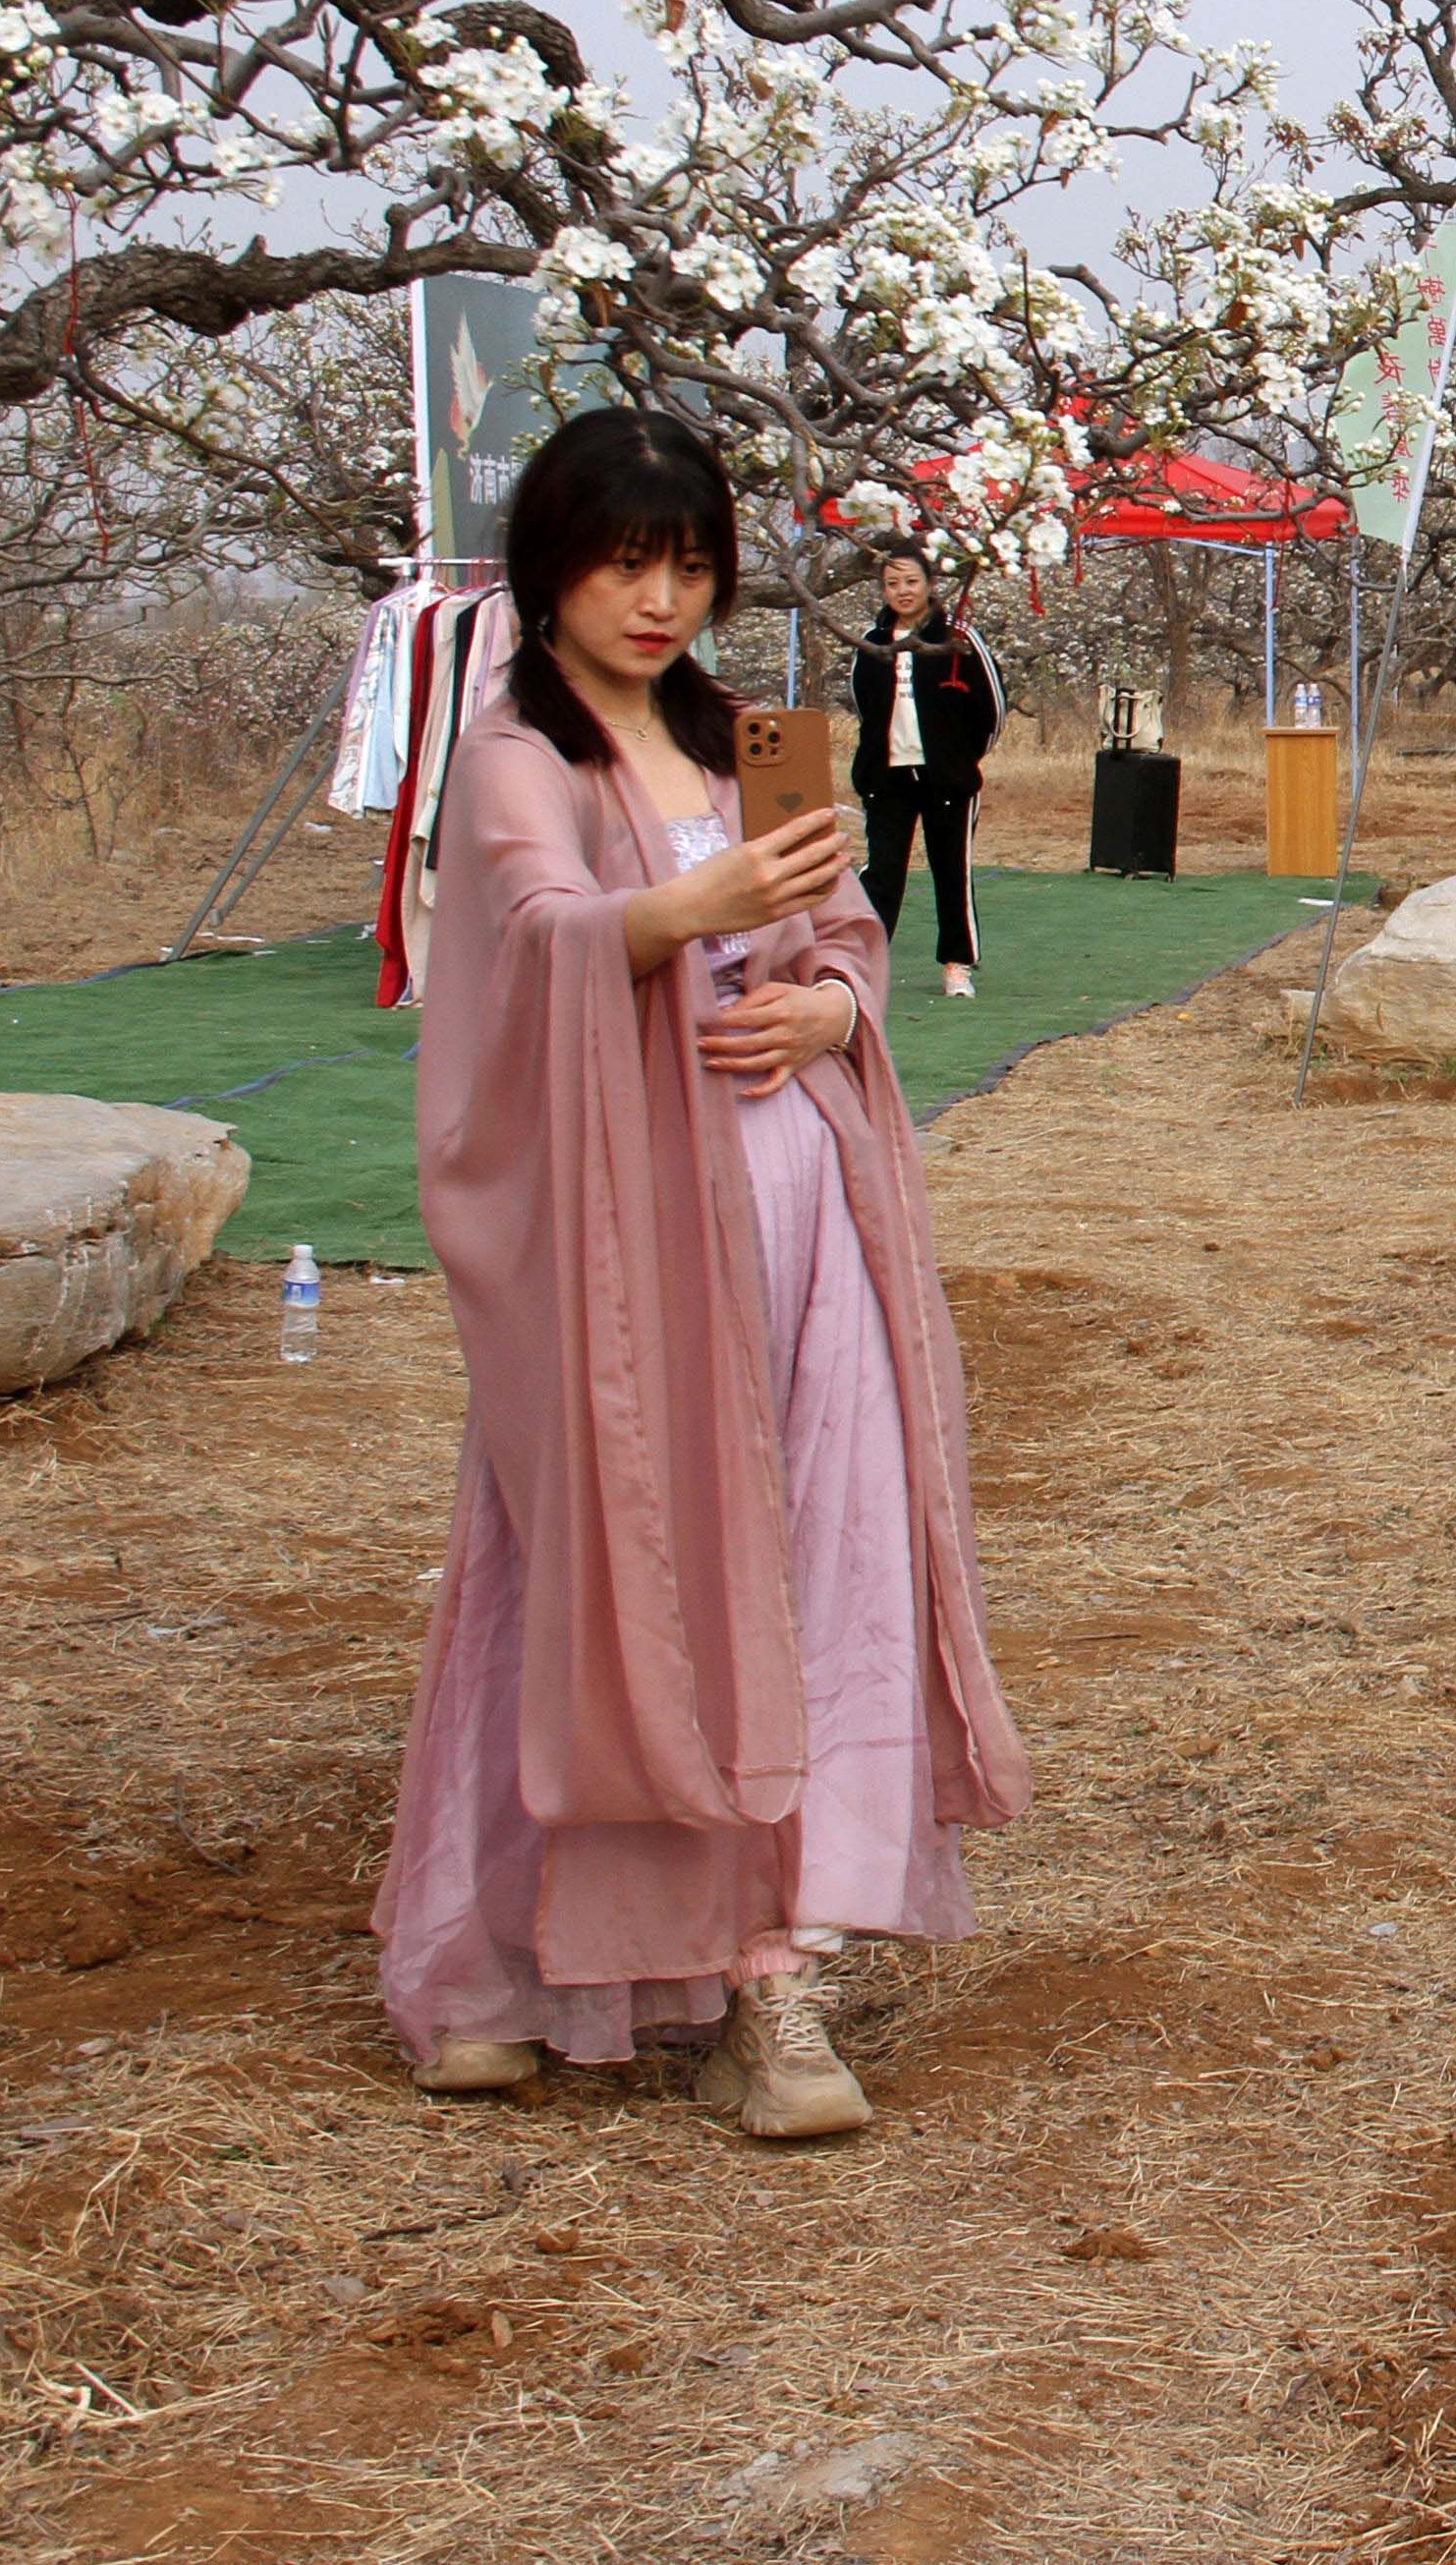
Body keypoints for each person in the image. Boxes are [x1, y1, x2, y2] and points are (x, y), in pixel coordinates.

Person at [372, 407, 1028, 2141]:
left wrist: (829, 1002)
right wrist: (685, 908)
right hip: (625, 1256)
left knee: (799, 1567)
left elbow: (840, 939)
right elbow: (521, 959)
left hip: (803, 1226)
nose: (656, 599)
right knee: (607, 1575)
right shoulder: (519, 758)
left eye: (685, 564)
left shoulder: (761, 739)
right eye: (621, 562)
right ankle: (499, 1954)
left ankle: (769, 1969)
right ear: (551, 569)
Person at [848, 541, 997, 999]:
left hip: (947, 779)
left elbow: (991, 710)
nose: (903, 591)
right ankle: (861, 964)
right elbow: (864, 705)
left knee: (951, 869)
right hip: (889, 779)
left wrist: (960, 757)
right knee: (882, 873)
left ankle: (957, 965)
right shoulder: (871, 645)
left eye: (911, 581)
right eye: (892, 583)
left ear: (930, 585)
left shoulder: (958, 640)